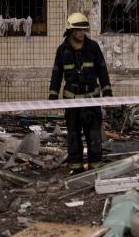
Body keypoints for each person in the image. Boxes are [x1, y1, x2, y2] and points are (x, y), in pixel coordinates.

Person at [48, 12, 113, 175]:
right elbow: (57, 73)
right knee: (73, 136)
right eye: (78, 30)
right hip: (72, 102)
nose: (82, 33)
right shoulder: (62, 50)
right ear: (71, 31)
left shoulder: (93, 47)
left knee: (94, 135)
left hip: (91, 100)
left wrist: (107, 91)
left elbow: (102, 70)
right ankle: (75, 168)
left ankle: (95, 168)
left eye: (84, 30)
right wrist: (53, 96)